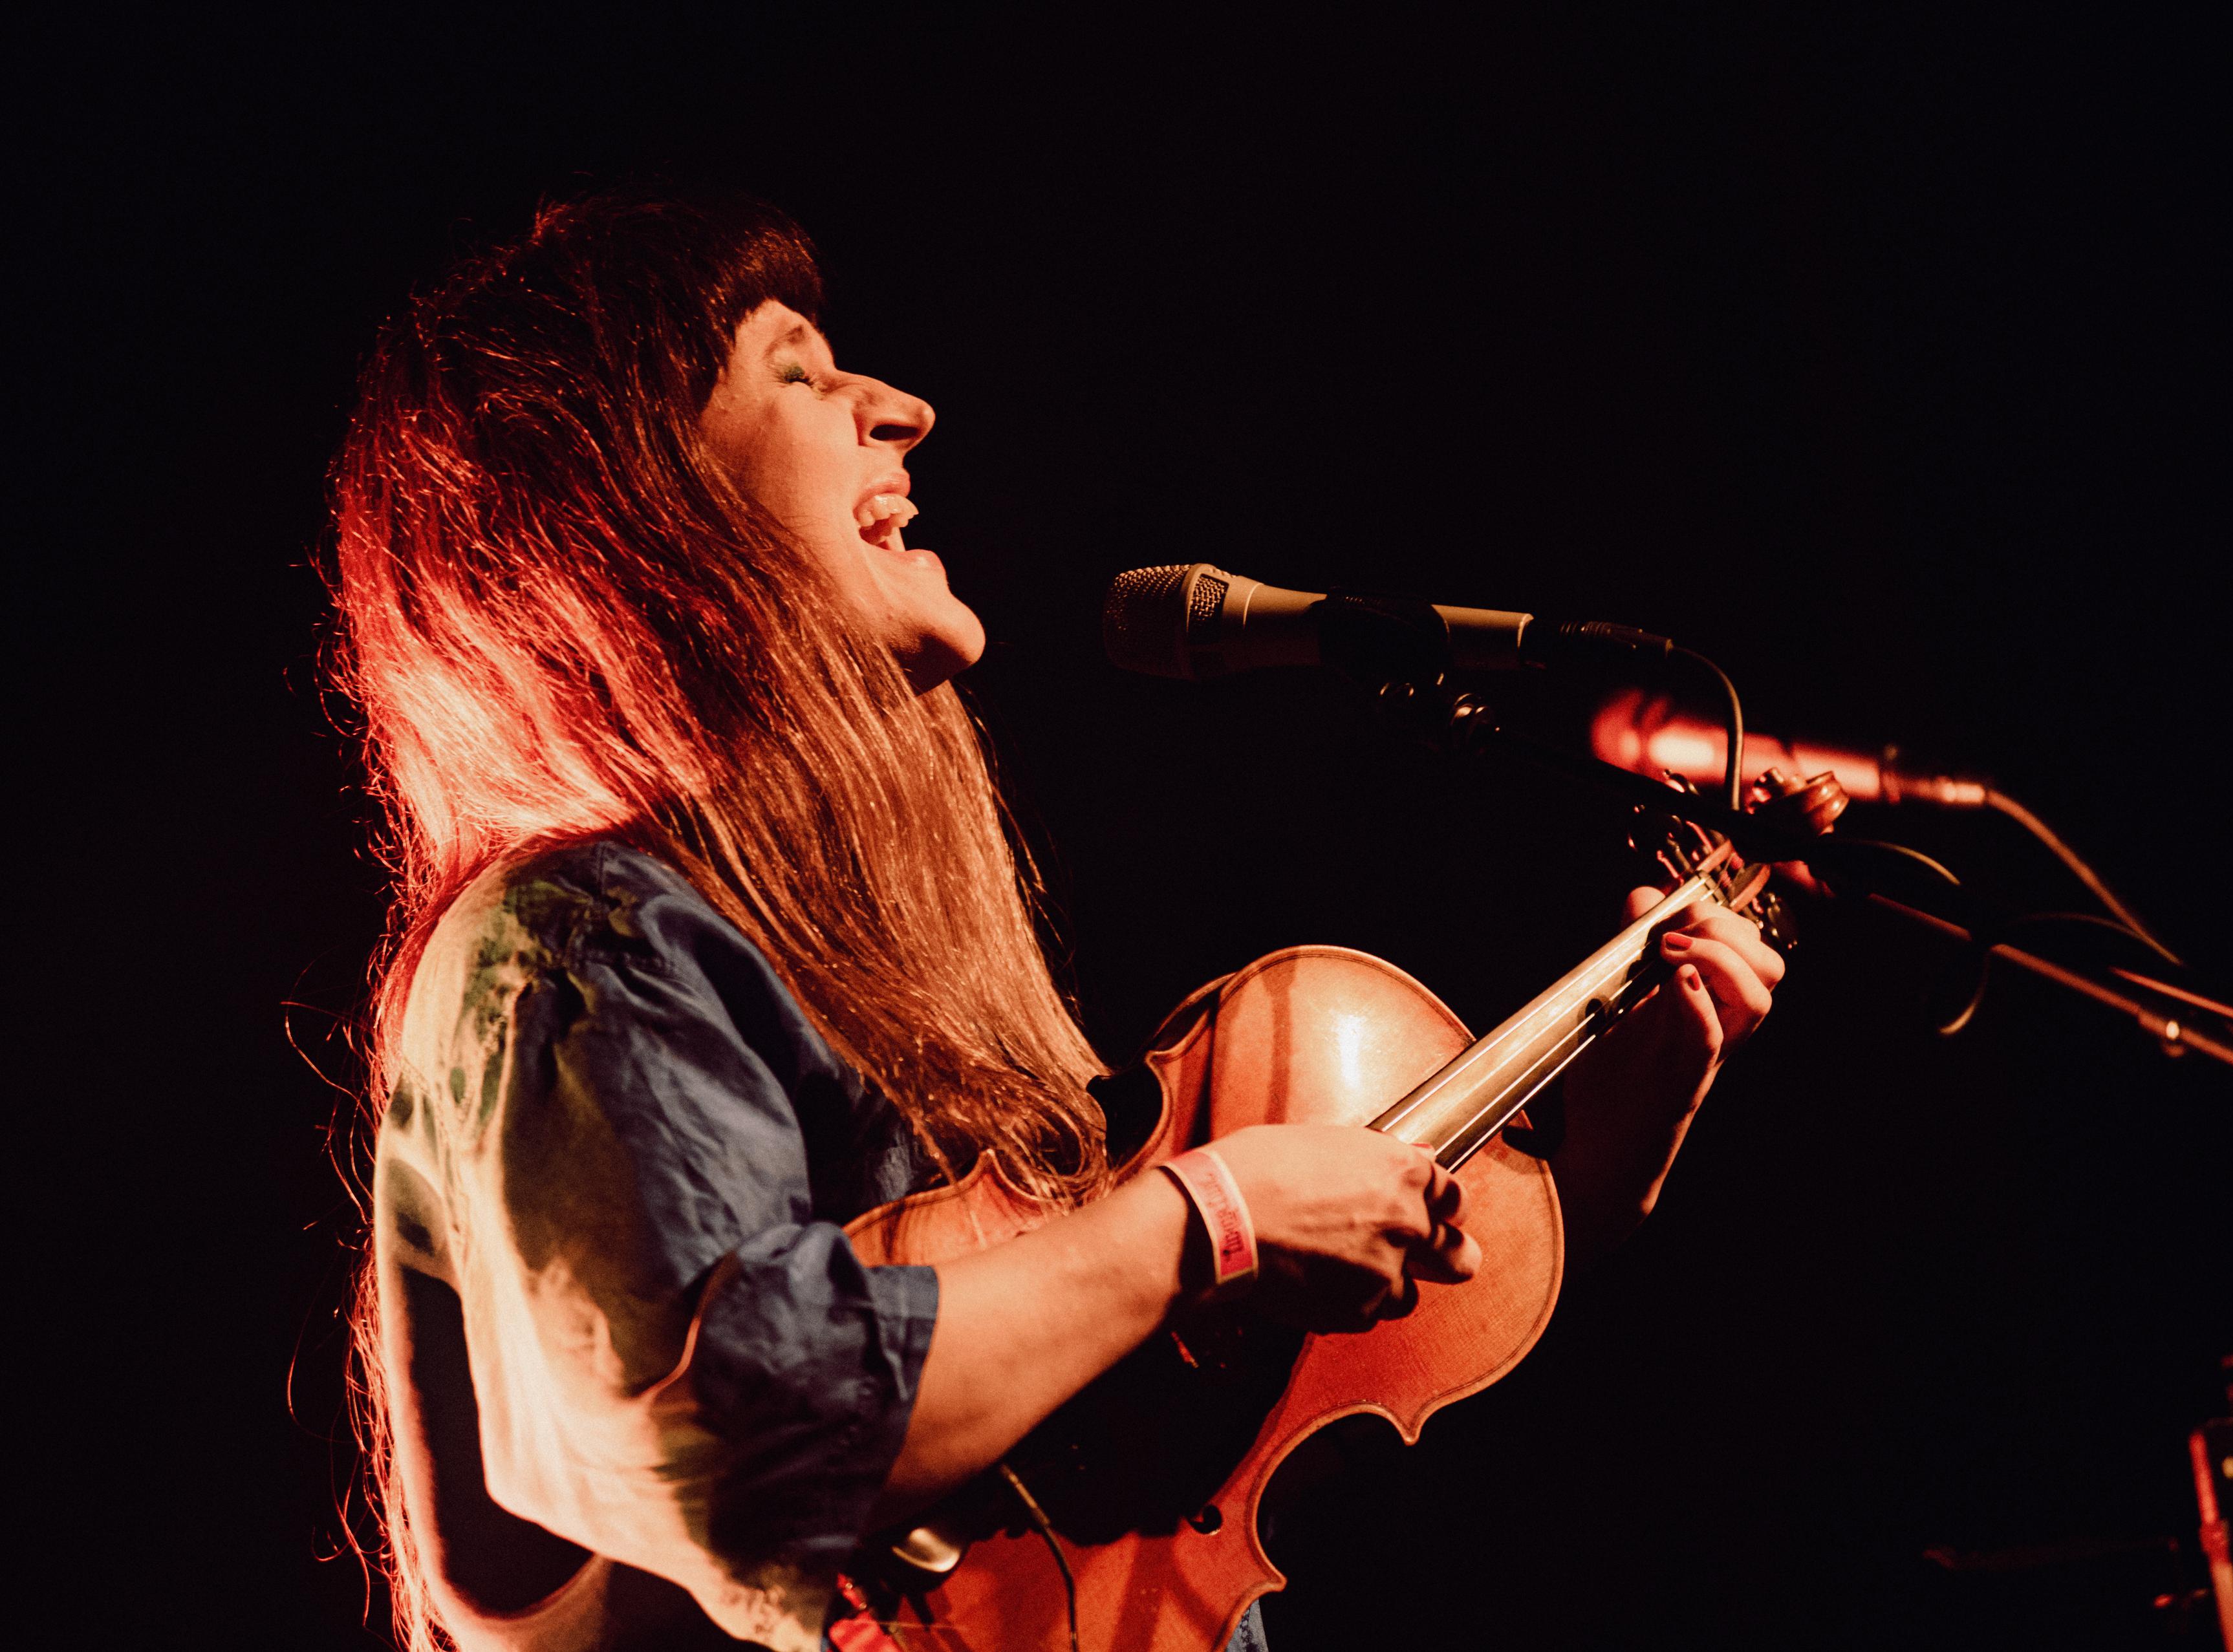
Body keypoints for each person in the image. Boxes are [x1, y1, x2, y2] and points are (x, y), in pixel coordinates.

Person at [327, 188, 1784, 1652]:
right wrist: (1209, 1217)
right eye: (797, 372)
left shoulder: (814, 956)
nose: (902, 408)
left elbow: (1168, 1448)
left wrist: (1596, 1152)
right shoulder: (577, 949)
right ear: (625, 502)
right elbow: (729, 1437)